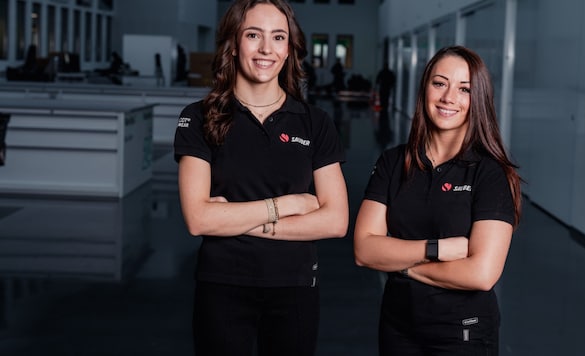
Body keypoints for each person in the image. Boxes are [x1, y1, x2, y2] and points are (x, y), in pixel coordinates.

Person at [173, 1, 349, 355]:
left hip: (295, 285)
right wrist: (288, 205)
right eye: (254, 35)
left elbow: (336, 220)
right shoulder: (199, 118)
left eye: (278, 37)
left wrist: (232, 219)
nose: (266, 49)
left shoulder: (314, 122)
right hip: (222, 284)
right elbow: (197, 219)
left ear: (289, 49)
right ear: (234, 44)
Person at [353, 45, 522, 356]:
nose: (449, 98)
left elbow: (481, 274)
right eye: (439, 83)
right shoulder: (394, 162)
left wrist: (401, 265)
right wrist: (439, 250)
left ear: (479, 100)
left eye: (464, 89)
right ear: (425, 88)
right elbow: (364, 250)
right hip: (397, 324)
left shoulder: (491, 174)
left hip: (463, 332)